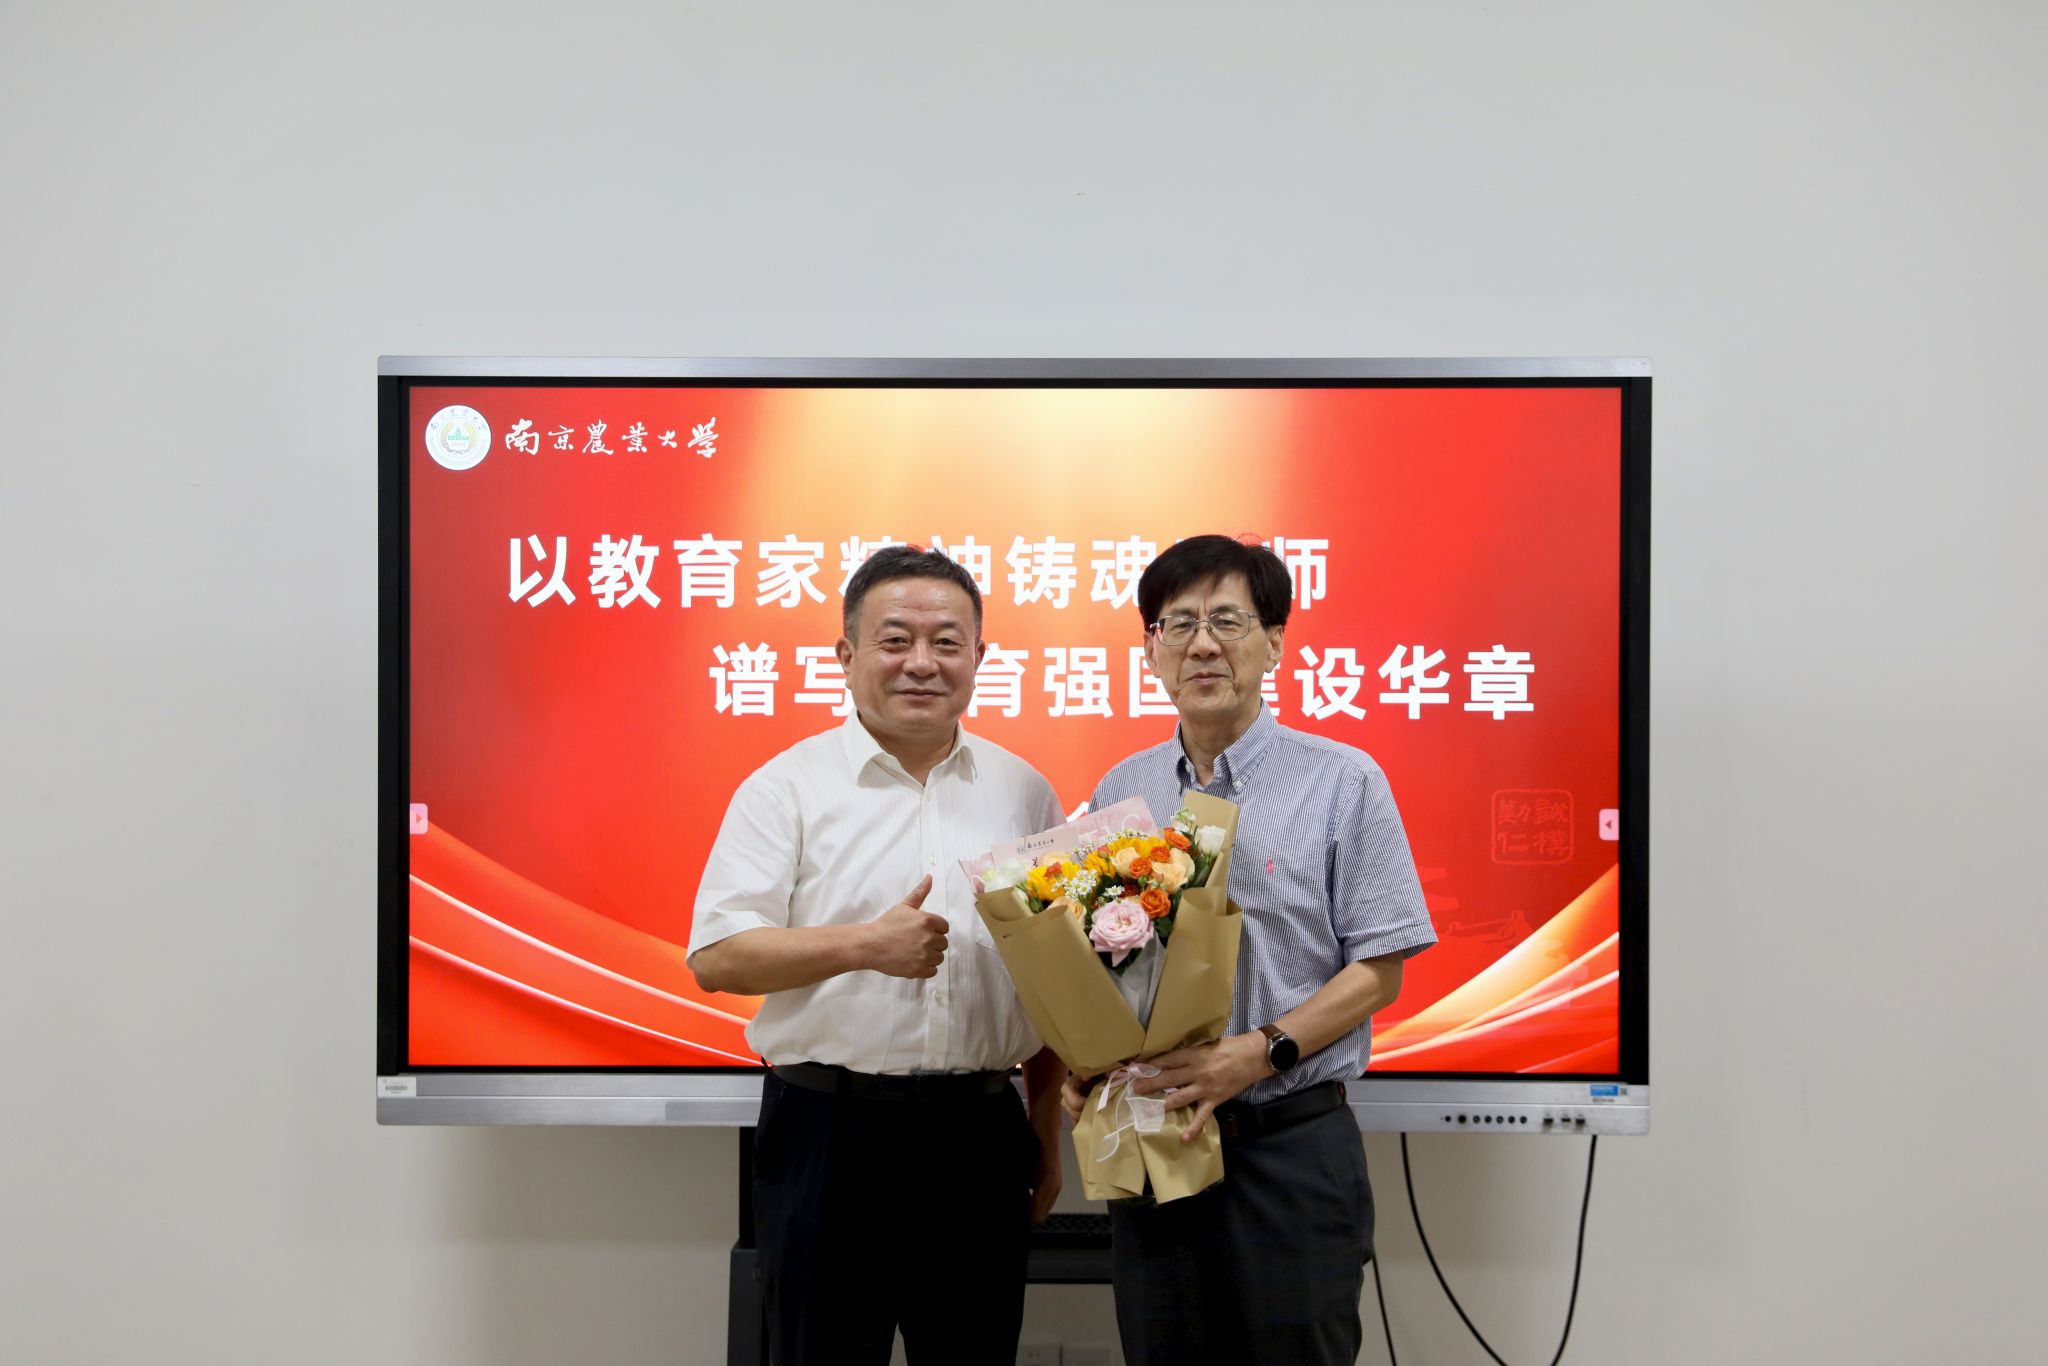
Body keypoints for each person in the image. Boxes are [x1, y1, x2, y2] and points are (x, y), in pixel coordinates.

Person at [688, 545, 1068, 1366]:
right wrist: (865, 945)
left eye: (947, 642)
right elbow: (718, 957)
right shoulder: (785, 788)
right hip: (828, 1133)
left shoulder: (1025, 792)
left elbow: (1052, 980)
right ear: (847, 654)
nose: (922, 663)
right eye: (896, 640)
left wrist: (1045, 1133)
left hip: (979, 1135)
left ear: (980, 656)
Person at [1065, 534, 1438, 1366]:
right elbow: (1109, 965)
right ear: (1151, 648)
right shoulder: (1124, 790)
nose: (1202, 644)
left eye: (1228, 621)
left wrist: (1258, 1052)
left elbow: (1380, 969)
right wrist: (1092, 1063)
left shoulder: (1343, 781)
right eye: (1179, 624)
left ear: (1274, 642)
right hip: (1157, 1140)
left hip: (1288, 1149)